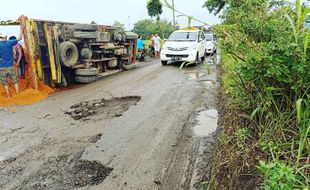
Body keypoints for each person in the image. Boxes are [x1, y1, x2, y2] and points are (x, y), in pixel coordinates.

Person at [0, 17, 25, 98]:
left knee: (5, 83)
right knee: (15, 81)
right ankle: (18, 95)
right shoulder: (10, 42)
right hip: (10, 66)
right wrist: (21, 29)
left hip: (2, 67)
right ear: (6, 36)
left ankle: (9, 97)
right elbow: (20, 38)